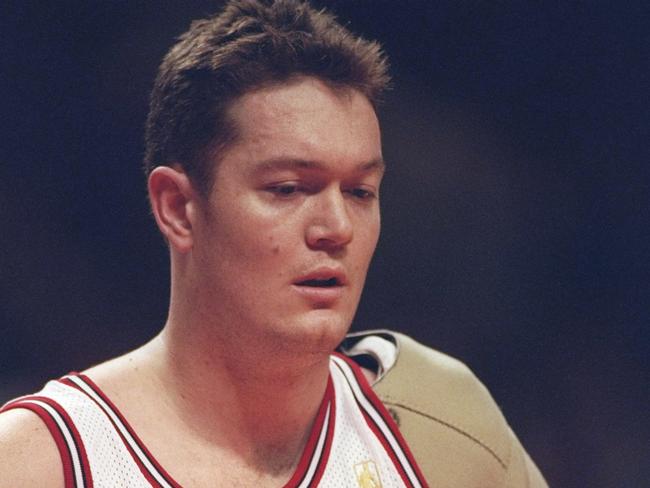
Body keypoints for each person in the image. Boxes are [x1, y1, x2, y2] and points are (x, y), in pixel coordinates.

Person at [0, 1, 547, 486]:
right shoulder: (39, 460)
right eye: (288, 189)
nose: (337, 227)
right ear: (178, 208)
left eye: (360, 191)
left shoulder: (444, 426)